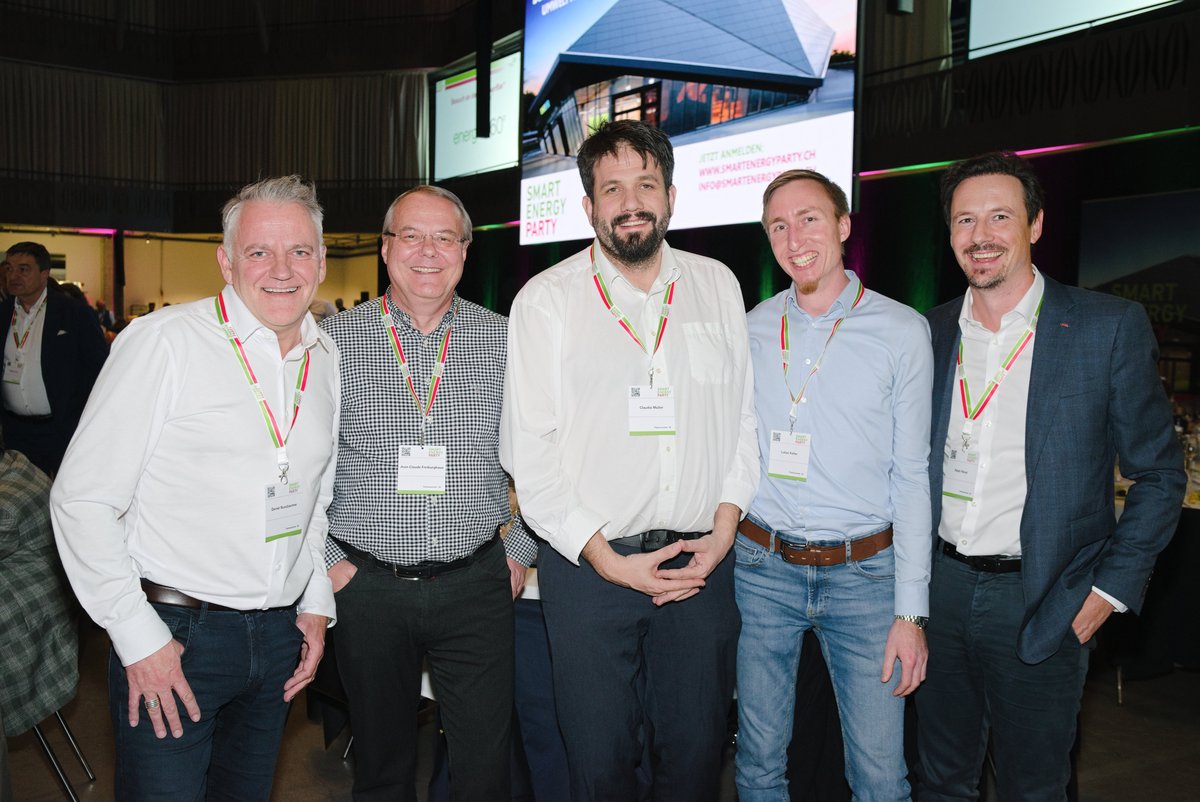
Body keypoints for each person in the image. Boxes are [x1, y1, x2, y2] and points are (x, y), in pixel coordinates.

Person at [49, 175, 339, 801]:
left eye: (299, 251)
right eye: (259, 251)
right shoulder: (164, 342)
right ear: (226, 262)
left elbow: (315, 498)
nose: (282, 269)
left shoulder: (326, 358)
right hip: (177, 633)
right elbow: (82, 500)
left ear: (321, 262)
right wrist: (137, 636)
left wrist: (315, 602)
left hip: (279, 638)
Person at [501, 119, 758, 801]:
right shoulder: (546, 301)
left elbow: (743, 422)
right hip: (590, 571)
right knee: (600, 763)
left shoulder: (717, 284)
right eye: (612, 188)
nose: (631, 202)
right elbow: (529, 452)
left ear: (671, 196)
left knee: (695, 759)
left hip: (700, 565)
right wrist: (607, 561)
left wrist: (724, 532)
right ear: (588, 206)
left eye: (645, 184)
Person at [916, 152, 1186, 800]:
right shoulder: (928, 332)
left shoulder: (1105, 328)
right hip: (938, 591)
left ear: (1035, 224)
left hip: (1043, 597)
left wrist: (1108, 592)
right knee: (939, 780)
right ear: (950, 234)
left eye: (1000, 216)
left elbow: (1159, 473)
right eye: (965, 220)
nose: (980, 235)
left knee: (1034, 787)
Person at [319, 185, 536, 801]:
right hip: (367, 586)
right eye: (411, 236)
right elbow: (302, 465)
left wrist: (519, 548)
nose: (428, 251)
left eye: (444, 238)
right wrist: (329, 561)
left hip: (476, 584)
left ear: (465, 251)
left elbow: (543, 456)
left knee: (483, 771)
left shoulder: (506, 341)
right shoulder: (331, 343)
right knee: (381, 771)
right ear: (385, 249)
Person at [733, 169, 932, 801]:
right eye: (778, 227)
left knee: (879, 777)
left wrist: (911, 612)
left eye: (809, 219)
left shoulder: (902, 330)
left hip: (866, 578)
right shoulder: (752, 327)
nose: (794, 240)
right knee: (758, 765)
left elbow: (913, 476)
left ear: (844, 226)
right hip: (763, 569)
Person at [1, 241, 108, 475]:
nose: (13, 276)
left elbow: (99, 369)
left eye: (23, 269)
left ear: (44, 274)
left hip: (62, 428)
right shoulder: (3, 313)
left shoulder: (74, 313)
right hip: (14, 431)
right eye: (9, 268)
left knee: (65, 490)